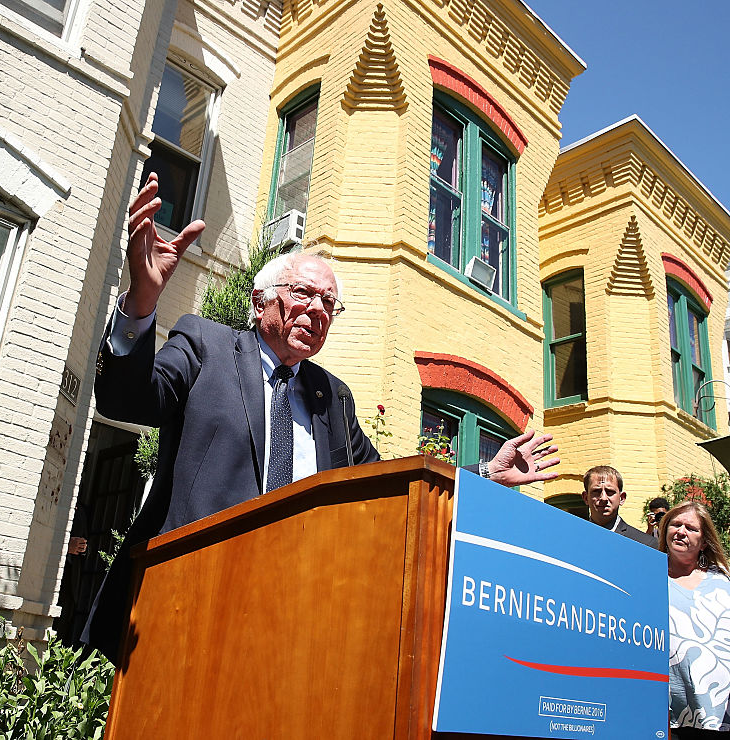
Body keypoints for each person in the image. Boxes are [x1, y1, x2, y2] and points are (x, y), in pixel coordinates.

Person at [81, 173, 562, 662]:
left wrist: (483, 474)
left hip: (296, 616)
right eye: (304, 294)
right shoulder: (207, 344)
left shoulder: (332, 398)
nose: (318, 310)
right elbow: (127, 401)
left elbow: (387, 484)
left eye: (330, 304)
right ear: (260, 301)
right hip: (190, 598)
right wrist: (141, 303)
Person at [662, 500, 730, 737]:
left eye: (691, 528)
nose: (681, 531)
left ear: (703, 541)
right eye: (676, 525)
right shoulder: (647, 576)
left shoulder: (723, 582)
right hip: (665, 710)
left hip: (718, 712)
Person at [580, 465, 657, 547]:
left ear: (622, 498)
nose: (603, 498)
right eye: (596, 491)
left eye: (610, 492)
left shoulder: (645, 544)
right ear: (585, 498)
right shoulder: (573, 539)